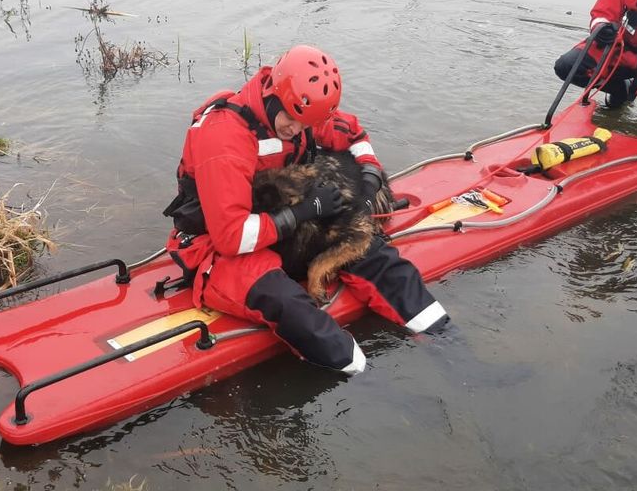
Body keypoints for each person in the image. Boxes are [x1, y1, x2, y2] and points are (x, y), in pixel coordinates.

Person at [163, 45, 448, 375]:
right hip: (216, 247)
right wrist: (301, 214)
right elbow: (231, 237)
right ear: (275, 92)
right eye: (291, 120)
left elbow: (355, 136)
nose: (295, 130)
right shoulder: (224, 136)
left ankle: (447, 341)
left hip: (283, 227)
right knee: (289, 305)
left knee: (381, 260)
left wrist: (369, 178)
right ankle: (364, 379)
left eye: (304, 124)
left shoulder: (303, 111)